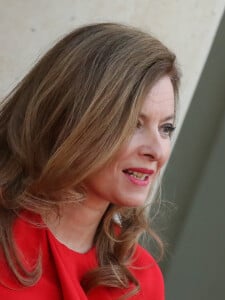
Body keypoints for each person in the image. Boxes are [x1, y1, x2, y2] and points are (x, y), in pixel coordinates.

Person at [0, 23, 180, 299]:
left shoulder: (141, 281)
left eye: (165, 128)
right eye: (132, 124)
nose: (156, 150)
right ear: (73, 120)